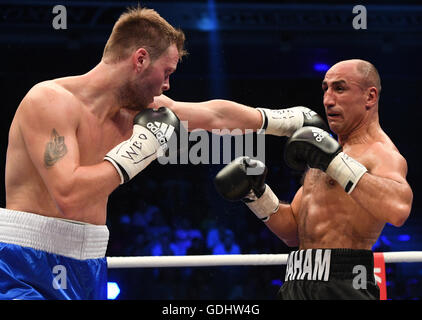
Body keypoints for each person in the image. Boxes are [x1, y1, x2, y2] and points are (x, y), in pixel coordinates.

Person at [1, 6, 326, 300]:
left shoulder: (134, 112)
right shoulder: (50, 101)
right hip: (26, 264)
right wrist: (138, 152)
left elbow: (214, 116)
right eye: (167, 72)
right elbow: (68, 194)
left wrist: (283, 120)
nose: (167, 85)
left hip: (90, 265)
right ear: (140, 59)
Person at [214, 59, 413, 300]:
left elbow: (398, 210)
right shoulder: (326, 152)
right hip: (298, 278)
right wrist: (257, 195)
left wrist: (335, 163)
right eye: (325, 89)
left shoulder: (380, 153)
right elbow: (294, 234)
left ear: (370, 97)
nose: (328, 100)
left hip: (344, 281)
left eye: (340, 88)